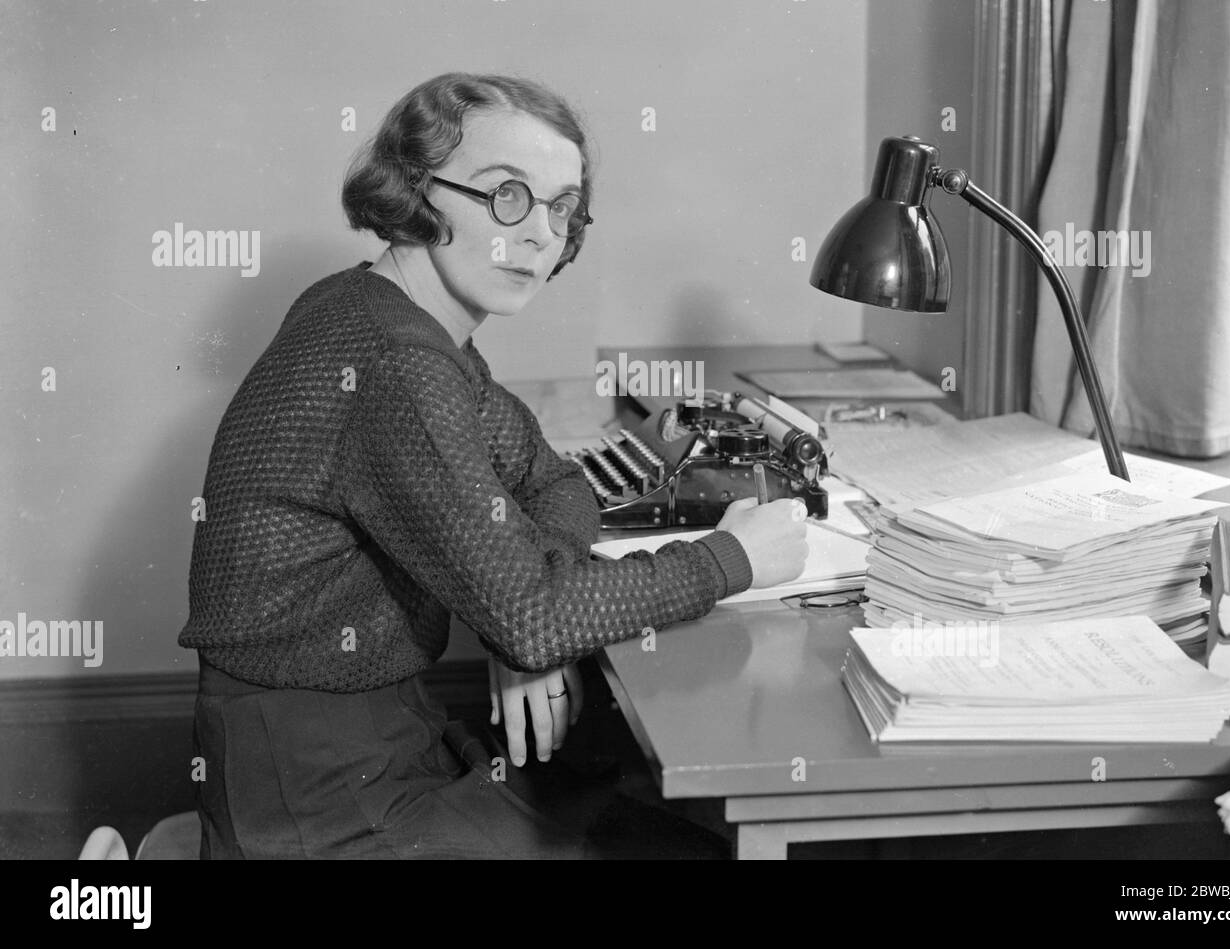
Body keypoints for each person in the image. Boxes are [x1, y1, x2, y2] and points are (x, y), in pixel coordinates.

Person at [177, 72, 809, 859]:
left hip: (373, 743)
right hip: (314, 798)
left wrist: (521, 624)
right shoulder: (398, 361)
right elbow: (540, 614)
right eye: (505, 193)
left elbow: (554, 481)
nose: (541, 233)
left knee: (636, 818)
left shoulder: (390, 312)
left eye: (562, 205)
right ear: (416, 191)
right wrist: (734, 558)